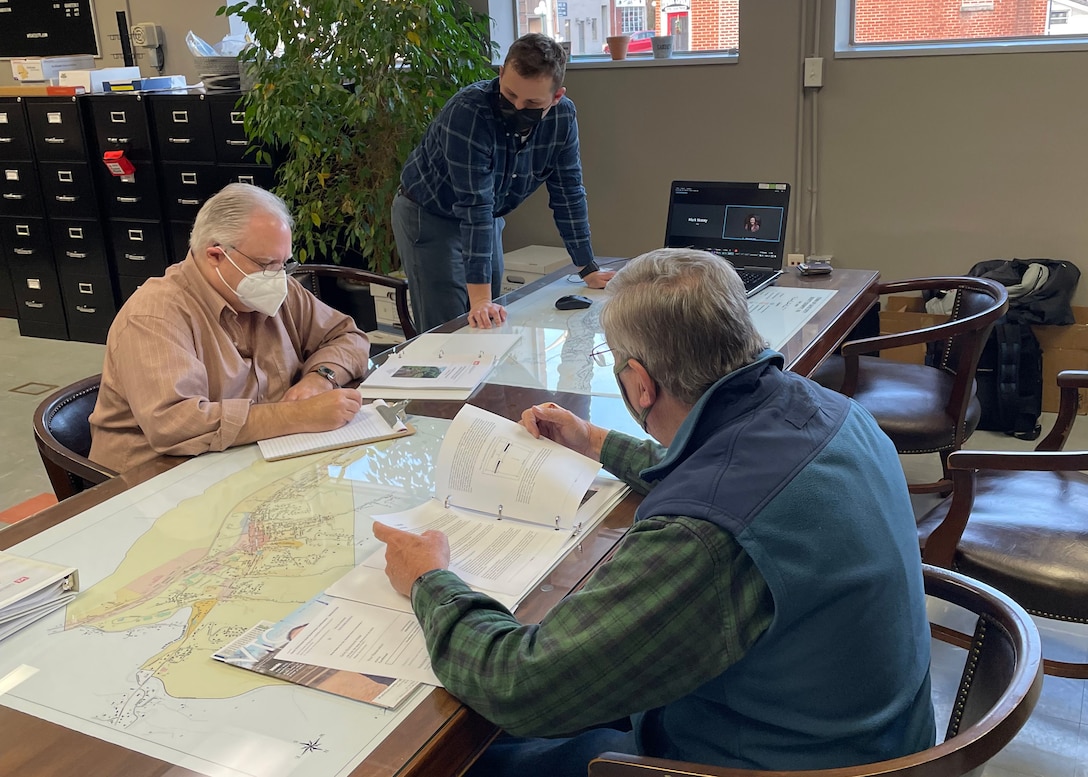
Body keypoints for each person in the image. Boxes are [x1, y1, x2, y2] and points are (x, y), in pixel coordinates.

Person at [373, 247, 935, 777]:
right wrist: (595, 442)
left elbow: (519, 684)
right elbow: (727, 472)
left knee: (481, 755)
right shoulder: (829, 411)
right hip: (865, 736)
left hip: (763, 760)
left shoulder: (704, 536)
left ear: (641, 383)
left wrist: (430, 579)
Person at [89, 183, 371, 473]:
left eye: (284, 264)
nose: (277, 277)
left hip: (249, 459)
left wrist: (320, 378)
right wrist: (296, 415)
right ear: (215, 255)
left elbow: (347, 336)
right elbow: (175, 424)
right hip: (155, 480)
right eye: (265, 264)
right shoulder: (155, 314)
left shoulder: (279, 289)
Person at [392, 33, 615, 333]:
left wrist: (587, 268)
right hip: (430, 213)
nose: (518, 108)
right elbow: (475, 207)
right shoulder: (469, 113)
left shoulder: (562, 118)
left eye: (532, 102)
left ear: (556, 97)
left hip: (489, 214)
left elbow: (568, 193)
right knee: (449, 325)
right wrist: (480, 300)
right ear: (500, 74)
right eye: (510, 96)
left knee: (492, 318)